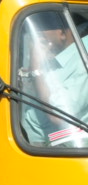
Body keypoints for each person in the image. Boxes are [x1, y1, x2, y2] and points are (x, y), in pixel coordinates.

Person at [19, 9, 88, 147]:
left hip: (58, 149)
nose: (35, 37)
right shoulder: (64, 57)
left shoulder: (82, 60)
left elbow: (59, 115)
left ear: (61, 32)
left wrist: (36, 69)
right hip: (32, 141)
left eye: (40, 32)